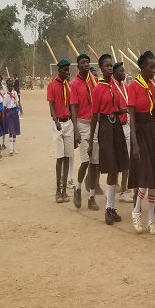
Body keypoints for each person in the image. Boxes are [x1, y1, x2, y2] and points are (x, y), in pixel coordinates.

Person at [127, 51, 155, 235]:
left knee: (154, 179)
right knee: (144, 175)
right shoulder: (133, 86)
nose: (154, 70)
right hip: (140, 132)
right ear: (142, 68)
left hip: (152, 131)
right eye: (151, 67)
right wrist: (134, 143)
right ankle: (136, 211)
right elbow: (132, 119)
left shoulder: (152, 86)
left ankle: (151, 220)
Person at [88, 54, 130, 224]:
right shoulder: (98, 89)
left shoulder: (116, 86)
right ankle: (107, 209)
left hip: (116, 126)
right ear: (101, 68)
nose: (110, 68)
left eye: (111, 65)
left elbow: (117, 108)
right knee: (110, 166)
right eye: (106, 66)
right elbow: (94, 115)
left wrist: (124, 110)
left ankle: (112, 208)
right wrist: (91, 141)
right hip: (105, 127)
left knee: (116, 168)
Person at [70, 54, 100, 211]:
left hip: (95, 124)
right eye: (83, 63)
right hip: (81, 123)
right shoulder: (74, 84)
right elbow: (73, 108)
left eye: (87, 62)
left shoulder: (93, 81)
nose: (86, 65)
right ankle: (78, 188)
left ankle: (92, 197)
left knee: (95, 163)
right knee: (85, 161)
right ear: (78, 66)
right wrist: (76, 130)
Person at [48, 59, 73, 203]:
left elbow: (71, 106)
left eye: (68, 70)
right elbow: (51, 105)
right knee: (60, 157)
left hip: (68, 123)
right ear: (59, 71)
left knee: (68, 156)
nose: (67, 73)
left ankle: (65, 191)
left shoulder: (68, 86)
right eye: (65, 70)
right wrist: (56, 120)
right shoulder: (52, 86)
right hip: (58, 124)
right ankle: (58, 190)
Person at [113, 62, 133, 205]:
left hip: (126, 126)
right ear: (114, 73)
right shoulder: (111, 88)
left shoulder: (126, 88)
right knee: (115, 160)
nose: (124, 74)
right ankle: (114, 185)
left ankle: (123, 190)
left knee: (127, 159)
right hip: (115, 126)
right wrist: (123, 110)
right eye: (121, 71)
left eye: (124, 71)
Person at [3, 78, 21, 153]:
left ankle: (14, 148)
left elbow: (17, 102)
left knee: (15, 130)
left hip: (14, 112)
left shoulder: (15, 93)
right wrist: (3, 115)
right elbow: (4, 106)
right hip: (9, 112)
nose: (10, 88)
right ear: (7, 87)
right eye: (9, 86)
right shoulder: (6, 96)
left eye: (11, 86)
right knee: (11, 130)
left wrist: (18, 108)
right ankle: (10, 148)